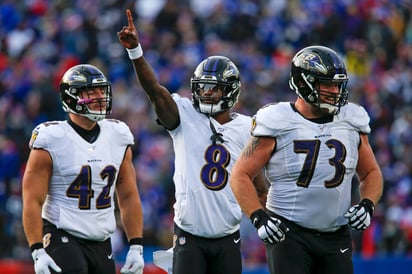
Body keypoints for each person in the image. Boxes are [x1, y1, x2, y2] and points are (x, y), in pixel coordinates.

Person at [117, 9, 268, 274]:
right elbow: (155, 92)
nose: (206, 93)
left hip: (228, 236)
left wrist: (269, 219)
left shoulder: (248, 127)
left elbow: (258, 184)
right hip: (189, 236)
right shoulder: (185, 115)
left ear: (231, 91)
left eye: (214, 88)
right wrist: (136, 52)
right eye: (203, 87)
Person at [230, 45, 384, 274]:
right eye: (327, 84)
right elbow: (240, 174)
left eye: (337, 84)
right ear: (303, 83)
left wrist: (367, 204)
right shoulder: (278, 120)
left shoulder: (351, 119)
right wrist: (259, 217)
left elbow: (371, 172)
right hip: (288, 232)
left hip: (335, 234)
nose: (335, 91)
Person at [22, 64, 145, 274]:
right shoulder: (51, 138)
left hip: (100, 238)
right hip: (62, 233)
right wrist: (37, 250)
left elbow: (128, 194)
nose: (99, 97)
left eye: (101, 91)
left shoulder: (118, 134)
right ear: (71, 98)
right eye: (91, 91)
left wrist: (136, 245)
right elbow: (32, 199)